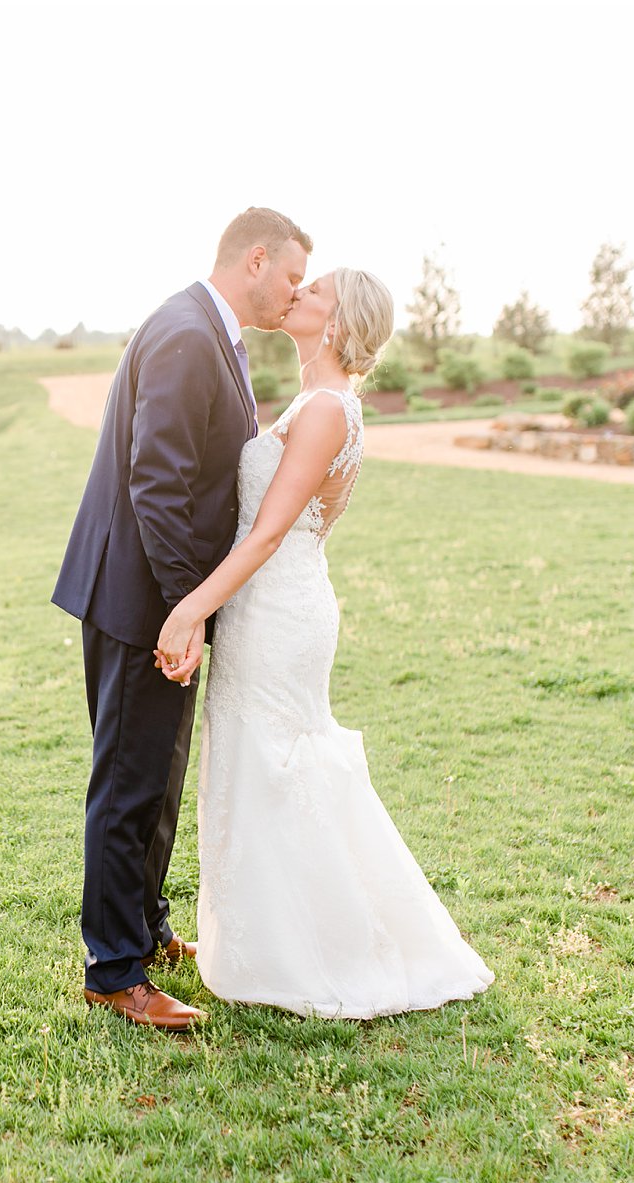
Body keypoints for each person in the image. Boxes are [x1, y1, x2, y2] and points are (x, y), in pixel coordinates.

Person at [154, 267, 495, 1019]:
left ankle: (320, 949)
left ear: (336, 325)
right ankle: (264, 937)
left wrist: (190, 612)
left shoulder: (328, 411)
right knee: (254, 761)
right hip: (269, 601)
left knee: (278, 764)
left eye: (316, 293)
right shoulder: (315, 402)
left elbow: (274, 530)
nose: (299, 293)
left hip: (279, 610)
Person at [51, 207, 311, 1031]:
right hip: (139, 602)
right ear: (256, 259)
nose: (295, 294)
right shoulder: (184, 331)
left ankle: (149, 927)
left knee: (159, 777)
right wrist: (182, 611)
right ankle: (113, 969)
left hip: (162, 603)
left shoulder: (217, 334)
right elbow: (155, 485)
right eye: (294, 277)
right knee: (128, 784)